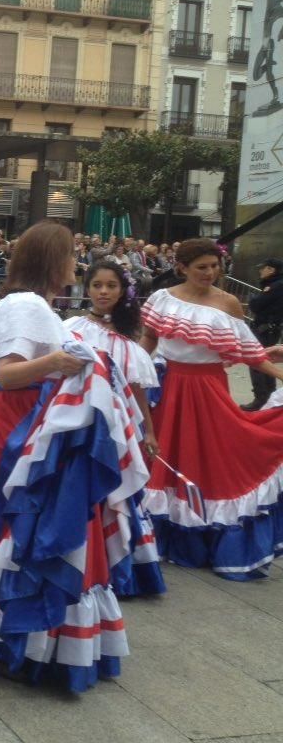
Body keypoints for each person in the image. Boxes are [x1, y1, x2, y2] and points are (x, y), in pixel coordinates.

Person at [0, 221, 149, 691]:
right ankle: (13, 641)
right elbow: (10, 373)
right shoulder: (26, 305)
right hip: (17, 424)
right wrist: (61, 362)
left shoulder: (37, 306)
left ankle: (25, 638)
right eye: (70, 255)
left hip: (30, 422)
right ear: (51, 261)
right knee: (19, 531)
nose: (76, 262)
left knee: (28, 531)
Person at [140, 238, 283, 579]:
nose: (209, 273)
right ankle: (159, 539)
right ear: (182, 268)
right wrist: (129, 368)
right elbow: (149, 339)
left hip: (208, 389)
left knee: (215, 459)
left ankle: (212, 540)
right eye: (201, 267)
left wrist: (278, 371)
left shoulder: (229, 302)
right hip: (167, 387)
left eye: (214, 266)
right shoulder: (162, 298)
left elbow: (251, 352)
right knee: (165, 458)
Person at [63, 261, 166, 597]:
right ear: (86, 288)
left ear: (123, 291)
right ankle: (81, 557)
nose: (103, 292)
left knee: (119, 494)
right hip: (78, 424)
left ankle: (116, 564)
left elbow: (138, 391)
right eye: (97, 286)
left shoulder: (127, 342)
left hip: (119, 428)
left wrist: (148, 431)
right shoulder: (71, 327)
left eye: (111, 286)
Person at [242, 258, 283, 410]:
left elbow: (256, 305)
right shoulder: (275, 284)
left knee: (257, 362)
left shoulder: (275, 286)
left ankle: (261, 397)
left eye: (263, 268)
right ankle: (268, 396)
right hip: (269, 328)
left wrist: (253, 298)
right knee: (267, 361)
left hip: (265, 329)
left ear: (271, 270)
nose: (261, 271)